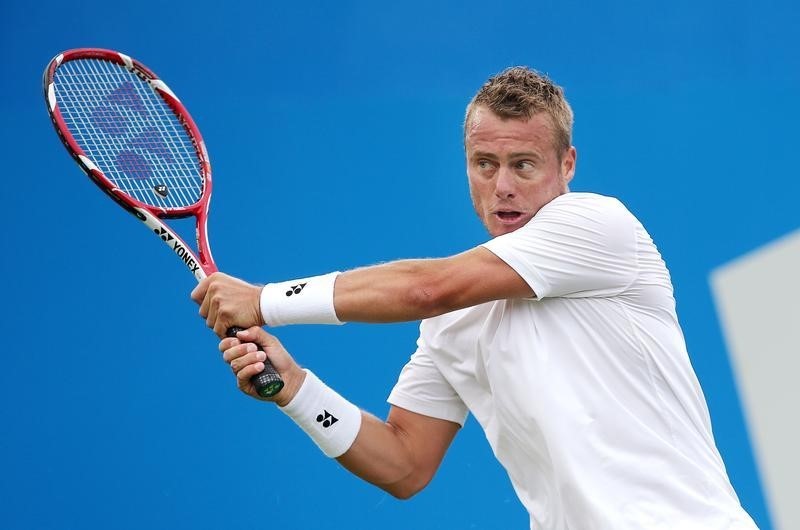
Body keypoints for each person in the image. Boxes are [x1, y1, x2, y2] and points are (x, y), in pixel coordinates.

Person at [191, 67, 758, 529]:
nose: (502, 185)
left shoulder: (598, 223)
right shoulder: (453, 320)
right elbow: (404, 463)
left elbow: (426, 288)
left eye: (523, 165)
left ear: (567, 166)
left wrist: (266, 300)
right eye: (485, 165)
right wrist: (294, 388)